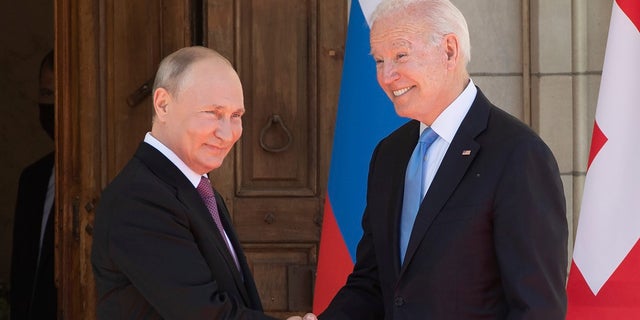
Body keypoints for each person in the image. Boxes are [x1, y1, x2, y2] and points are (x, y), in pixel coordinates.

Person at [310, 0, 568, 319]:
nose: (387, 76)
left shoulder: (518, 154)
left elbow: (536, 307)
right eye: (379, 60)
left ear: (449, 50)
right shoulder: (389, 155)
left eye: (400, 55)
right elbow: (373, 284)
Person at [91, 46, 279, 319]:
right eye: (213, 113)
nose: (227, 133)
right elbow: (203, 314)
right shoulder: (139, 200)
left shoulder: (198, 190)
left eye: (236, 116)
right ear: (163, 104)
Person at [10, 49, 57, 320]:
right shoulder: (33, 180)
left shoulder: (111, 178)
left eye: (60, 94)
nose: (52, 105)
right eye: (46, 94)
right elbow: (22, 273)